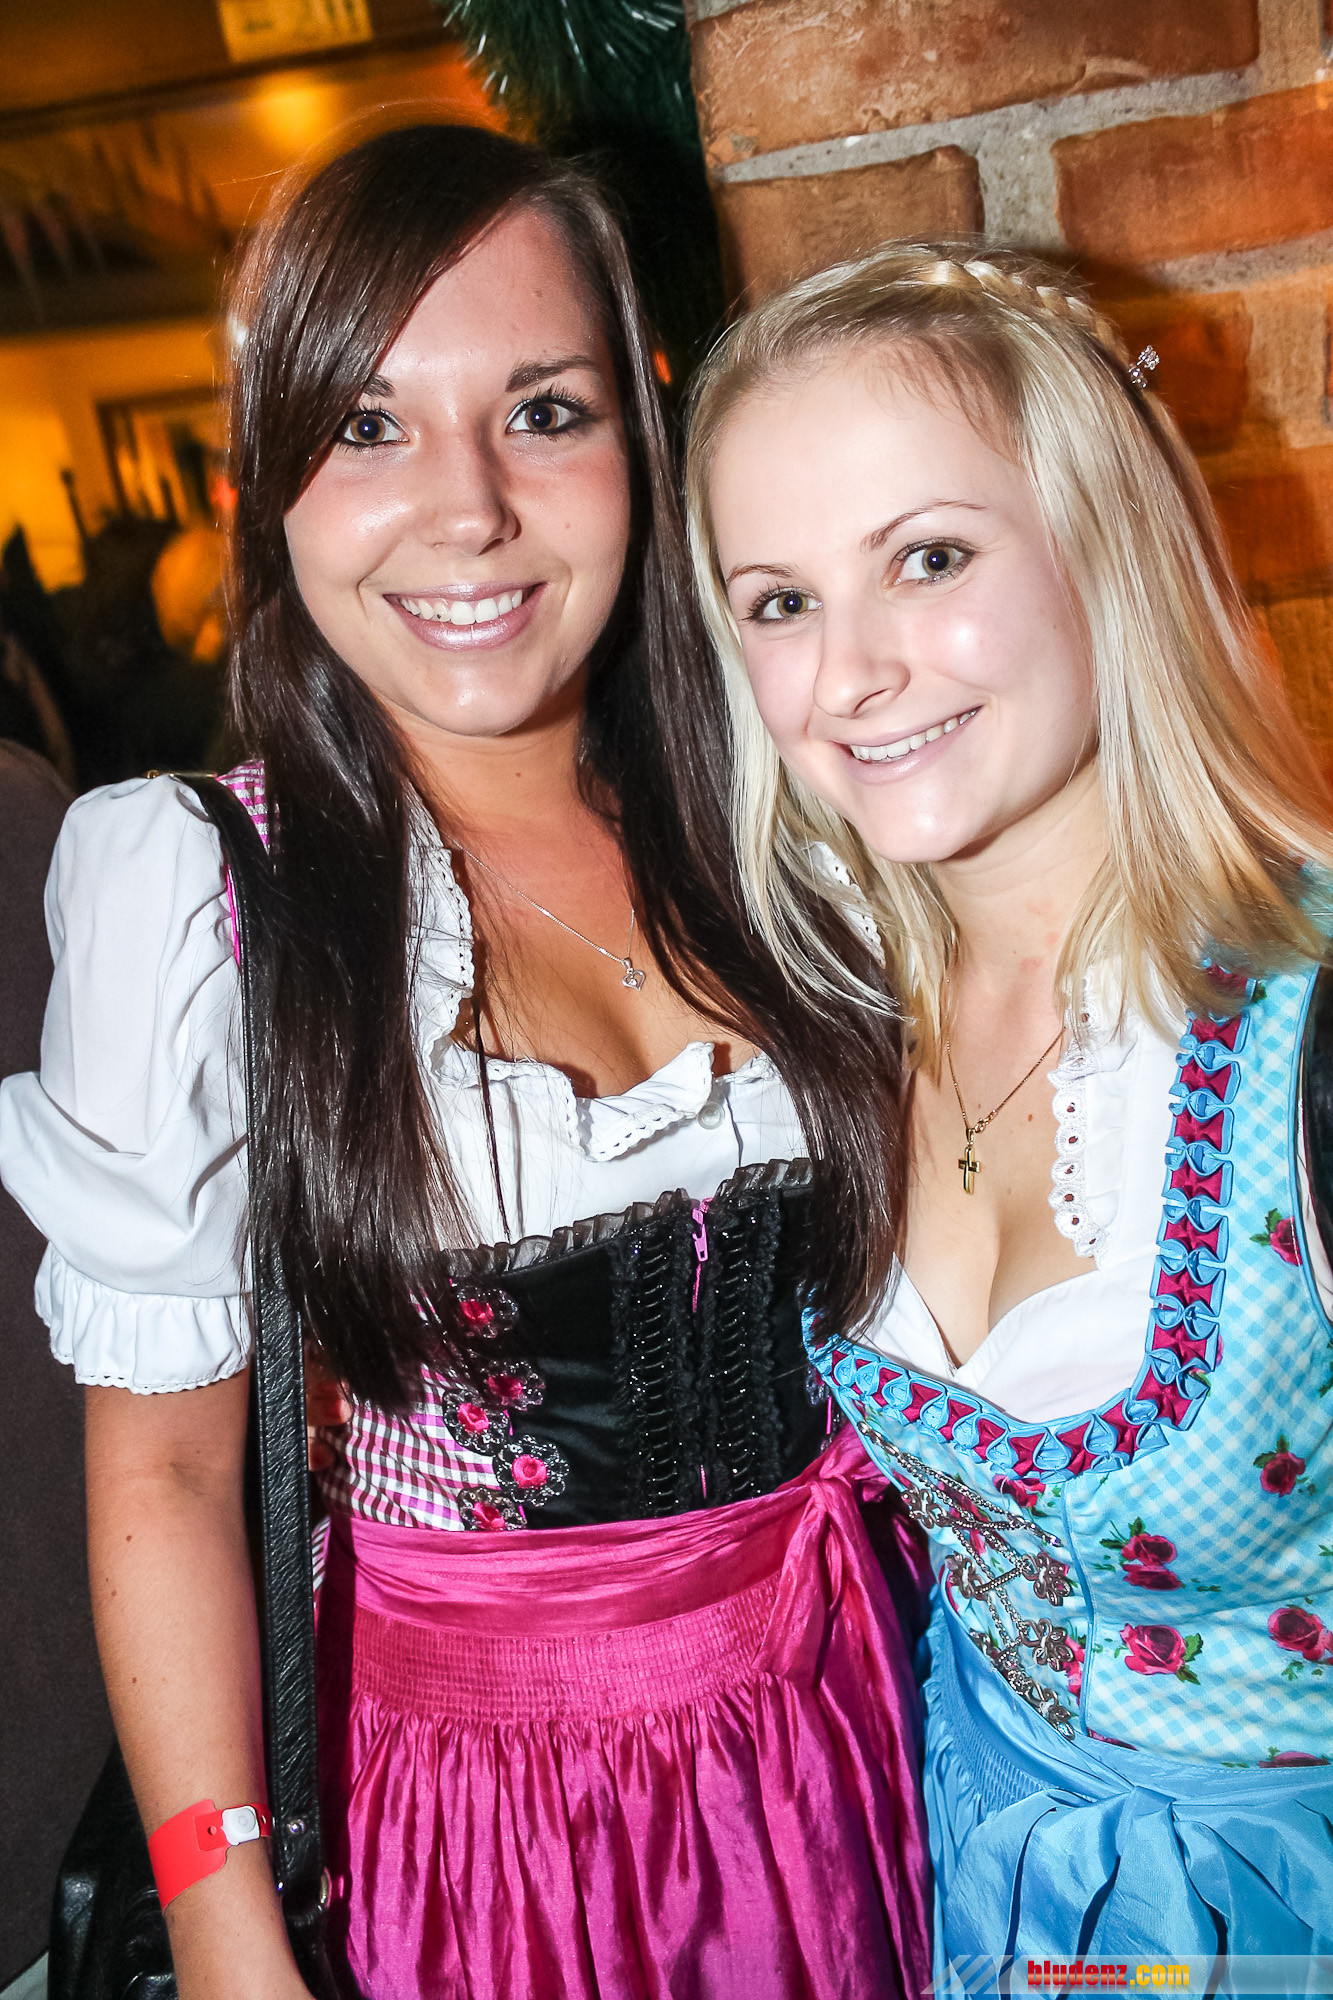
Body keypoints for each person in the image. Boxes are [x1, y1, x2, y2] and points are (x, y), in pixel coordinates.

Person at [0, 129, 932, 2000]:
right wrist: (225, 1926)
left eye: (542, 412)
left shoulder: (798, 811)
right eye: (368, 427)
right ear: (268, 479)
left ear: (640, 441)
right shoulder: (202, 889)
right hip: (496, 1839)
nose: (469, 511)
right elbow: (166, 1471)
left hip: (870, 1736)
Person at [683, 243, 1333, 1972]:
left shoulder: (1307, 1022)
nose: (849, 675)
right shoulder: (823, 1017)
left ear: (1101, 543)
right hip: (973, 1872)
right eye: (779, 601)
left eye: (928, 558)